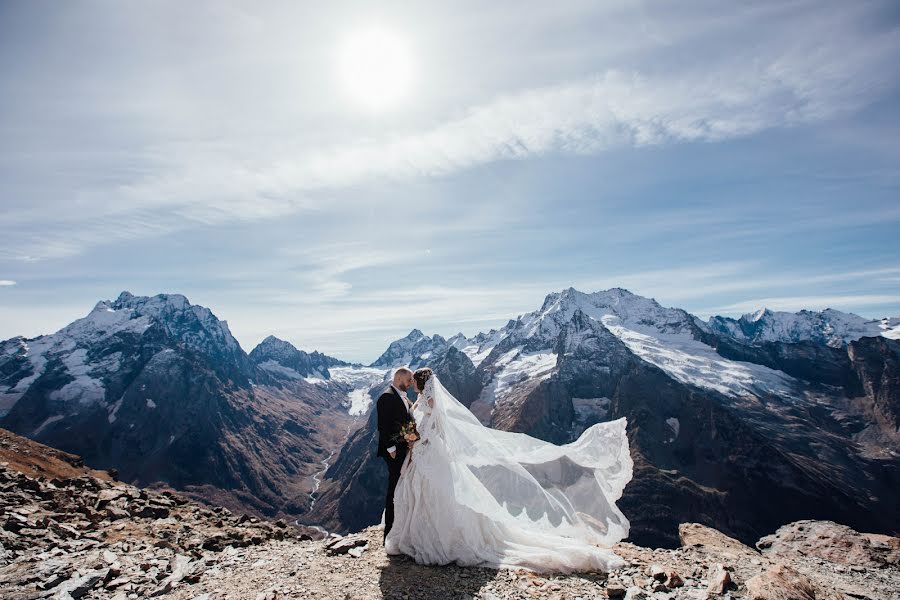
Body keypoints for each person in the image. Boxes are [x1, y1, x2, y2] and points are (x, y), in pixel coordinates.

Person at [384, 367, 632, 573]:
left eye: (413, 381)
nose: (411, 384)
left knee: (435, 495)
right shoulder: (421, 400)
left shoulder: (429, 401)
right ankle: (418, 535)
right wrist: (411, 439)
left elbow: (430, 429)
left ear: (421, 383)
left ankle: (438, 538)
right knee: (425, 496)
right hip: (424, 456)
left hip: (429, 454)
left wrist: (413, 439)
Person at [376, 367, 416, 541]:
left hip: (403, 449)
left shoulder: (402, 396)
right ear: (399, 378)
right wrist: (391, 449)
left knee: (401, 490)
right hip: (394, 452)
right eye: (408, 381)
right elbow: (383, 426)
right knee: (394, 491)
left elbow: (402, 423)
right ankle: (390, 533)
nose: (411, 384)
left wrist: (411, 437)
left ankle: (400, 531)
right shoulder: (387, 396)